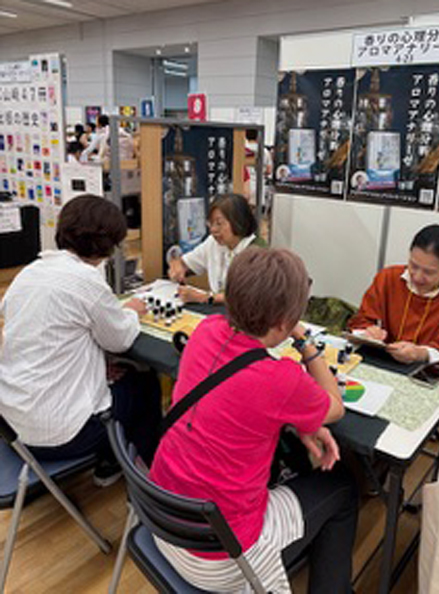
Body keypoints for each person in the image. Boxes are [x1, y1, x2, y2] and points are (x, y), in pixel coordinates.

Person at [150, 247, 357, 594]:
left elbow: (235, 406)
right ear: (284, 322)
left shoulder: (206, 330)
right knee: (342, 486)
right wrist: (304, 341)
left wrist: (303, 423)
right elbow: (335, 405)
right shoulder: (280, 377)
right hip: (220, 559)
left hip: (164, 521)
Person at [0, 194, 161, 484]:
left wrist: (96, 369)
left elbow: (51, 339)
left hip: (12, 426)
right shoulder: (86, 281)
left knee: (116, 376)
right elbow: (121, 340)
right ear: (107, 245)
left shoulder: (29, 273)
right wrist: (131, 311)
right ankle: (139, 476)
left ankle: (114, 459)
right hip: (62, 435)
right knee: (144, 383)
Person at [348, 224, 439, 371]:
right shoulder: (388, 278)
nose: (417, 277)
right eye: (413, 266)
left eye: (429, 272)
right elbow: (361, 321)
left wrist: (420, 354)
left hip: (427, 372)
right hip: (379, 362)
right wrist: (368, 332)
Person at [168, 193, 263, 304]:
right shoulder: (213, 243)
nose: (213, 230)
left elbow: (245, 297)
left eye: (219, 224)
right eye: (211, 223)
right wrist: (177, 266)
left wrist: (203, 297)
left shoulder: (256, 251)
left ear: (238, 222)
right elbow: (185, 263)